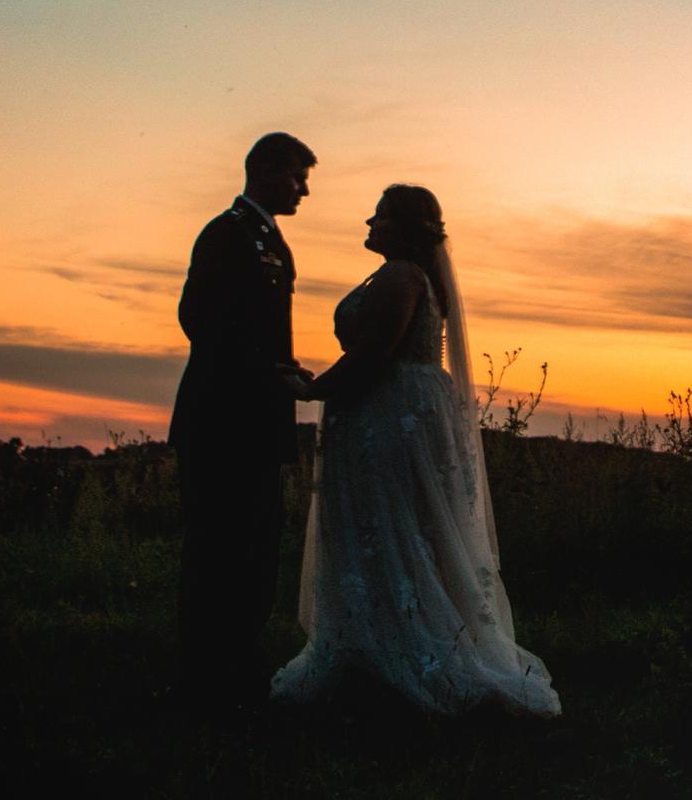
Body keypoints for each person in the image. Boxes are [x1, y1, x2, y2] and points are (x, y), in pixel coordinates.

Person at [272, 183, 562, 716]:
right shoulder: (407, 276)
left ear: (403, 227)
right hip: (391, 412)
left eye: (379, 216)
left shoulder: (403, 276)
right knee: (389, 528)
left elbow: (377, 351)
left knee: (391, 526)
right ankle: (378, 645)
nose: (369, 223)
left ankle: (404, 654)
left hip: (388, 417)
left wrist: (313, 389)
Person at [171, 131, 319, 711]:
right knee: (217, 549)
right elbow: (199, 318)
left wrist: (282, 369)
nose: (304, 190)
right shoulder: (226, 234)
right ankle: (204, 676)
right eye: (296, 177)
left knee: (256, 545)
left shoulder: (270, 240)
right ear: (263, 172)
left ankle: (238, 663)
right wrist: (264, 371)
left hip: (257, 420)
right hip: (221, 419)